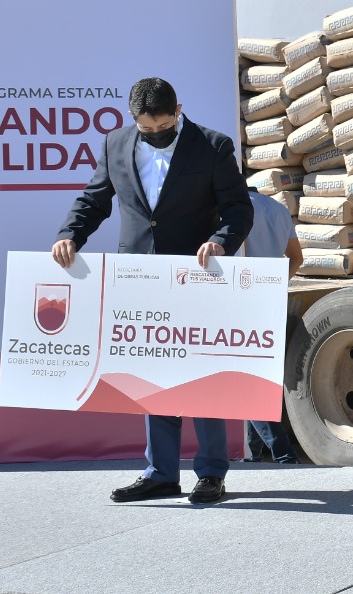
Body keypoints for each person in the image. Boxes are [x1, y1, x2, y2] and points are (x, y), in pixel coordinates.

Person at [52, 77, 253, 505]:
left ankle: (212, 474)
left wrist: (220, 240)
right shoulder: (115, 144)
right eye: (146, 128)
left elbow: (238, 208)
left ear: (178, 110)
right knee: (153, 374)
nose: (155, 132)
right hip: (139, 277)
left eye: (163, 124)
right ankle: (161, 472)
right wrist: (70, 234)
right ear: (132, 118)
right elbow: (94, 200)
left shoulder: (213, 146)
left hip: (197, 275)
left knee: (203, 375)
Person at [242, 183, 304, 464]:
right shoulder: (278, 209)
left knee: (243, 376)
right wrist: (279, 283)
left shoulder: (229, 210)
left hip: (238, 298)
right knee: (259, 371)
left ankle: (281, 451)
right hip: (269, 297)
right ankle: (255, 453)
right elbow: (297, 258)